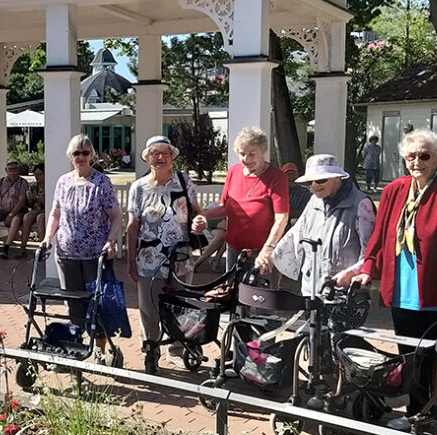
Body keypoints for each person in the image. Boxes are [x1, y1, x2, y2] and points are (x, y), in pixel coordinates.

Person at [352, 129, 437, 426]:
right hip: (404, 290)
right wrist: (367, 269)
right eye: (411, 156)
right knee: (410, 357)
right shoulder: (394, 190)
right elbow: (380, 236)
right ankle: (417, 412)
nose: (417, 162)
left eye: (424, 156)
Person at [125, 135, 207, 364]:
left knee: (181, 306)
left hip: (180, 258)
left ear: (172, 157)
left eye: (165, 153)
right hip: (148, 260)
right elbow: (132, 227)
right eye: (154, 153)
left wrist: (199, 223)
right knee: (149, 309)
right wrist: (131, 262)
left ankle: (177, 350)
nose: (160, 157)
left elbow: (196, 212)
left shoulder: (183, 182)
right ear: (147, 158)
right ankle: (150, 350)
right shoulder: (139, 188)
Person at [40, 134, 123, 358]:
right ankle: (75, 346)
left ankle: (99, 349)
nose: (81, 157)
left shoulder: (101, 182)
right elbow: (55, 214)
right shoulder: (63, 182)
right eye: (76, 153)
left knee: (97, 304)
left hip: (95, 255)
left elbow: (116, 216)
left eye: (85, 152)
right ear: (70, 156)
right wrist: (48, 238)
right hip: (66, 254)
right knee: (73, 304)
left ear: (92, 155)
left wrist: (111, 241)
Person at [261, 154, 375, 297]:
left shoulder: (362, 204)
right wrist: (268, 255)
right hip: (311, 289)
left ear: (337, 178)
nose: (314, 185)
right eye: (310, 182)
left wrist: (353, 273)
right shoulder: (313, 200)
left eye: (321, 179)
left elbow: (371, 252)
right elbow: (295, 234)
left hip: (343, 293)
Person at [203, 127, 289, 274]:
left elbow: (281, 218)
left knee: (262, 294)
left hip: (262, 249)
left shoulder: (277, 177)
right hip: (234, 246)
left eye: (252, 154)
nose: (246, 159)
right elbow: (226, 207)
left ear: (263, 152)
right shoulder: (233, 172)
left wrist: (268, 248)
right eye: (242, 154)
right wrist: (203, 215)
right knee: (231, 290)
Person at [0, 158, 30, 259]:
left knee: (15, 220)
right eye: (10, 169)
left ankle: (6, 247)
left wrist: (11, 214)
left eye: (15, 169)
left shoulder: (22, 182)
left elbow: (22, 201)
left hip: (16, 211)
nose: (13, 171)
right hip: (1, 210)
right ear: (6, 170)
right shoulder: (1, 181)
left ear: (18, 170)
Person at [18, 163, 46, 258]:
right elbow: (30, 205)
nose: (37, 177)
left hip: (45, 211)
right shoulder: (34, 186)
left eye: (39, 174)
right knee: (27, 217)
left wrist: (37, 197)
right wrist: (29, 198)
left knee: (40, 218)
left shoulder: (49, 186)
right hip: (35, 210)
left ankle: (43, 249)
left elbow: (47, 201)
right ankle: (22, 249)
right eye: (35, 175)